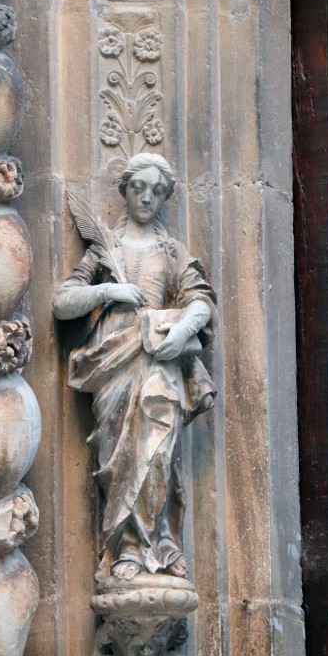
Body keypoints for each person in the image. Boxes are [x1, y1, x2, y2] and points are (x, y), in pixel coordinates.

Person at [53, 153, 216, 582]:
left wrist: (183, 330)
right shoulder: (105, 250)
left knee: (157, 450)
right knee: (120, 455)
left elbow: (201, 301)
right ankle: (125, 545)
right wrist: (108, 290)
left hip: (160, 355)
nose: (147, 197)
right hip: (113, 362)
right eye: (139, 187)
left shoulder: (171, 251)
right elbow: (62, 302)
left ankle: (158, 542)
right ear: (125, 190)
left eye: (157, 191)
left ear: (164, 197)